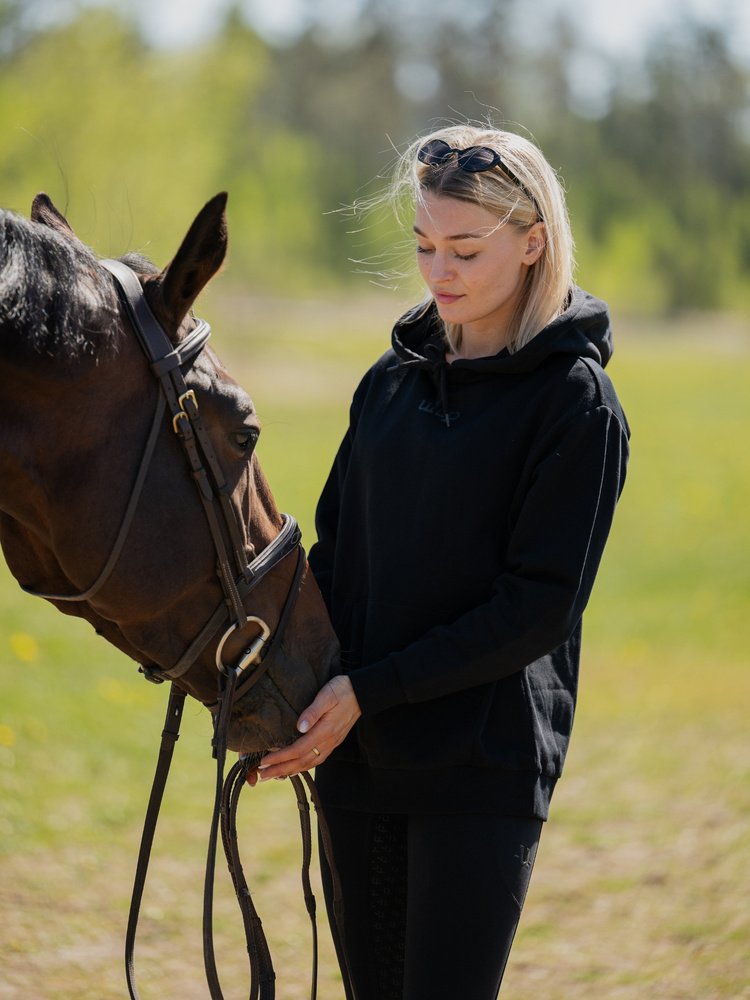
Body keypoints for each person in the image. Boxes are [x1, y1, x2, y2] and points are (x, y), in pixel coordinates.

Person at [257, 123, 630, 999]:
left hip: (481, 763)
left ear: (533, 242)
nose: (437, 272)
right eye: (424, 245)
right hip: (359, 751)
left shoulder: (575, 403)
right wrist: (278, 680)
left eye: (465, 249)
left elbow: (536, 609)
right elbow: (338, 557)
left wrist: (369, 690)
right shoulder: (389, 382)